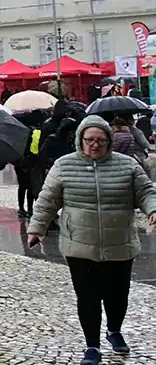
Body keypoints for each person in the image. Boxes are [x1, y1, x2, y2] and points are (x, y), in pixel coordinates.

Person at [28, 115, 156, 365]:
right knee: (87, 297)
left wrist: (152, 209)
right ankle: (92, 346)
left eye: (101, 140)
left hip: (119, 241)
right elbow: (48, 200)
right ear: (80, 140)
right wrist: (36, 228)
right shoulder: (64, 165)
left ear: (109, 141)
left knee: (117, 294)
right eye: (89, 140)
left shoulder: (127, 165)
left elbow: (145, 191)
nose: (95, 145)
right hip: (80, 244)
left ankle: (114, 330)